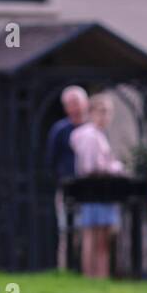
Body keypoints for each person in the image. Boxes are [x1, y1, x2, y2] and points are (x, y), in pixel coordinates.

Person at [70, 94, 126, 279]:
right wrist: (115, 167)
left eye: (108, 112)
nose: (105, 116)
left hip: (102, 190)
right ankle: (92, 276)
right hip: (95, 189)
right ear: (91, 113)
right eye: (101, 112)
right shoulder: (89, 136)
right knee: (93, 236)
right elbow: (91, 166)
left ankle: (101, 277)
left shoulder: (99, 135)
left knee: (103, 236)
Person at [46, 85, 89, 270]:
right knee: (66, 229)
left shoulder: (93, 128)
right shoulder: (60, 130)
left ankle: (86, 269)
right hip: (68, 187)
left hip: (90, 188)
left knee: (87, 230)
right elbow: (51, 159)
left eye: (77, 103)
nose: (75, 108)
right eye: (71, 104)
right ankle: (65, 268)